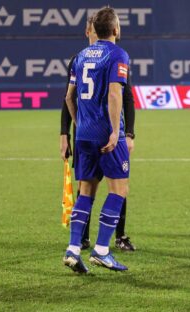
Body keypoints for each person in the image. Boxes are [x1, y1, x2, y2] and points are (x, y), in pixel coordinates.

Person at [60, 15, 136, 253]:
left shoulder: (80, 57)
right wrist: (116, 132)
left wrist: (77, 123)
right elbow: (117, 96)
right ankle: (102, 250)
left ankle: (73, 248)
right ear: (115, 28)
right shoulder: (118, 55)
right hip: (106, 133)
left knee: (86, 191)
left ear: (93, 29)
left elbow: (68, 97)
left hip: (83, 133)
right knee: (119, 190)